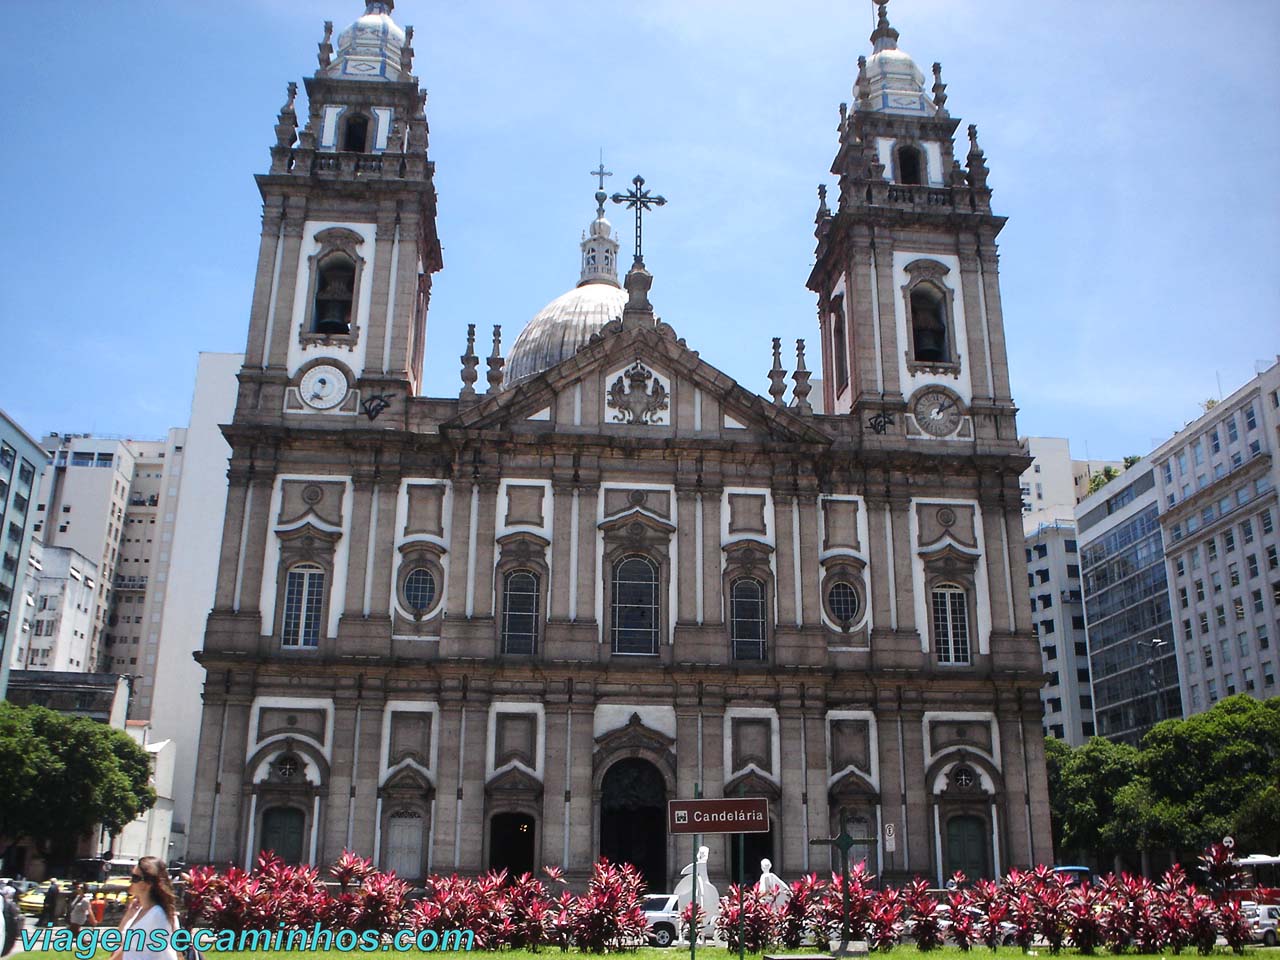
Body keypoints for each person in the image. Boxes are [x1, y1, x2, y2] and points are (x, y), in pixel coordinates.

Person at [108, 857, 178, 960]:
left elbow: (166, 954)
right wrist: (127, 916)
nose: (130, 881)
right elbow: (123, 947)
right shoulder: (138, 911)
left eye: (135, 877)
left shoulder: (157, 914)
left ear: (148, 883)